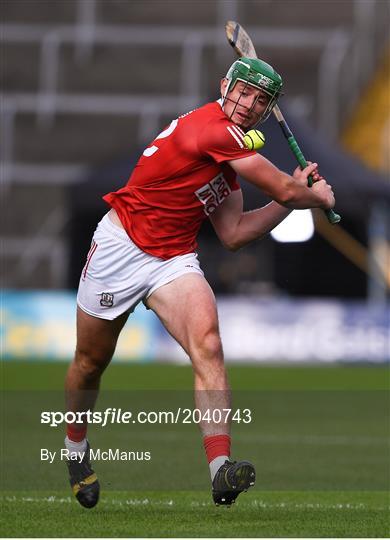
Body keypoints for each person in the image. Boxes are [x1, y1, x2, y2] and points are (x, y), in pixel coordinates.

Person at [64, 57, 335, 509]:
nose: (249, 105)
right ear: (224, 86)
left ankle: (220, 471)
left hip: (172, 259)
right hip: (121, 247)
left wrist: (294, 199)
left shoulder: (228, 160)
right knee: (91, 362)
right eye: (244, 92)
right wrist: (308, 195)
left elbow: (233, 234)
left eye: (260, 100)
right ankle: (74, 447)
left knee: (208, 344)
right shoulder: (210, 129)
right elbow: (287, 191)